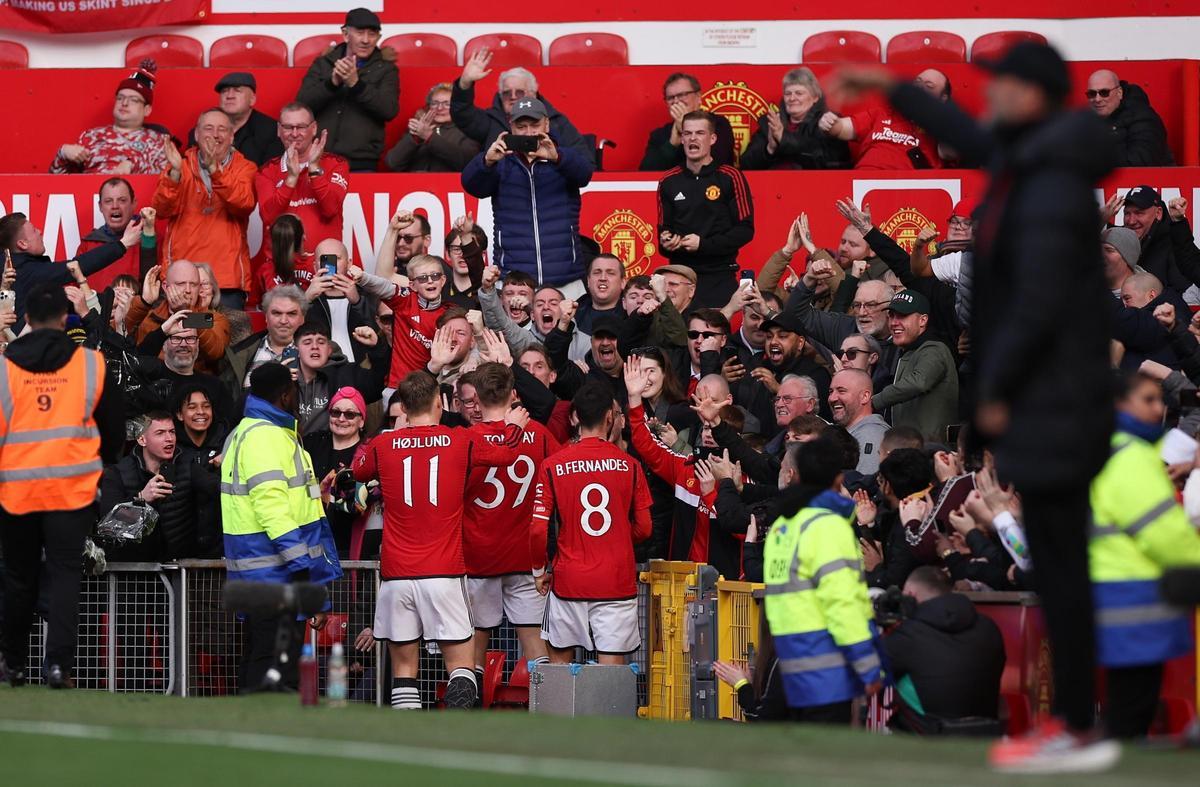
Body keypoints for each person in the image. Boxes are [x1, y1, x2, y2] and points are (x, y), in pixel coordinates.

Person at [836, 40, 1120, 770]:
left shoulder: (1049, 183)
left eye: (1002, 85)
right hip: (1047, 398)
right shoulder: (1024, 160)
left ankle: (1079, 727)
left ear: (1031, 94)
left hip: (1058, 401)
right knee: (1057, 564)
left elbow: (1036, 302)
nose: (987, 96)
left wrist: (994, 390)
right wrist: (889, 85)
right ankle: (1079, 726)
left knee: (1059, 565)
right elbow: (960, 130)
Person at [353, 369, 529, 709]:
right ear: (440, 401)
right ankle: (457, 723)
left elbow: (357, 468)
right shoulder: (461, 439)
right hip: (443, 572)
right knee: (461, 666)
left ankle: (410, 748)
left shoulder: (383, 444)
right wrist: (514, 427)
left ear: (402, 406)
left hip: (397, 576)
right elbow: (506, 455)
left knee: (404, 670)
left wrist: (392, 435)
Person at [0, 284, 123, 689]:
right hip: (72, 489)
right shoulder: (90, 364)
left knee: (19, 579)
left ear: (27, 319)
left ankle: (13, 663)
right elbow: (113, 430)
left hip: (17, 492)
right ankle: (58, 667)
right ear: (65, 319)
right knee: (66, 575)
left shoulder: (4, 368)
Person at [1089, 372, 1200, 739]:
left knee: (1128, 696)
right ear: (1121, 404)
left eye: (1159, 400)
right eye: (1147, 400)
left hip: (1117, 585)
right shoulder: (1130, 456)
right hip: (1135, 587)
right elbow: (1162, 531)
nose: (1158, 408)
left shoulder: (1111, 449)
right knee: (1135, 700)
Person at [221, 362, 343, 691]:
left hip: (263, 569)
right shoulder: (266, 437)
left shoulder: (249, 433)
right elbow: (272, 509)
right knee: (274, 667)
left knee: (262, 660)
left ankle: (251, 733)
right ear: (286, 395)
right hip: (277, 571)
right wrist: (303, 572)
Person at [762, 436, 882, 723]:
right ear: (838, 477)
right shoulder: (829, 526)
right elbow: (842, 600)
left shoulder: (782, 525)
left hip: (785, 660)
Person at [531, 382, 653, 664]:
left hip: (569, 580)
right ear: (610, 417)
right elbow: (645, 528)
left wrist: (539, 570)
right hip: (616, 580)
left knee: (559, 672)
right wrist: (617, 537)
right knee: (610, 677)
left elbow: (538, 528)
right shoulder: (629, 465)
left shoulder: (552, 465)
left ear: (575, 417)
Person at [462, 363, 561, 680]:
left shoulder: (467, 438)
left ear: (475, 398)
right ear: (513, 393)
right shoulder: (539, 435)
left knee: (476, 640)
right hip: (526, 557)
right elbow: (560, 478)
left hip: (479, 555)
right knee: (534, 641)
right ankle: (547, 710)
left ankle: (473, 715)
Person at [462, 97, 594, 294]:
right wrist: (487, 161)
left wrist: (557, 157)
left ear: (547, 124)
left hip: (566, 280)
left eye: (535, 125)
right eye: (521, 126)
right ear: (511, 128)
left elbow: (584, 174)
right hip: (514, 282)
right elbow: (472, 186)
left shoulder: (562, 157)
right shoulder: (500, 162)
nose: (529, 132)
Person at [152, 109, 258, 306]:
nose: (216, 135)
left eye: (222, 129)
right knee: (183, 335)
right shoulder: (179, 166)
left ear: (232, 136)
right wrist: (174, 174)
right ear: (197, 134)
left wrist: (214, 170)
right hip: (182, 278)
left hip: (228, 280)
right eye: (208, 128)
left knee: (224, 335)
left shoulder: (246, 168)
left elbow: (243, 204)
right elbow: (161, 210)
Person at [882, 567, 1006, 733]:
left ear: (910, 596)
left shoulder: (908, 636)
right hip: (986, 735)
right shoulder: (989, 627)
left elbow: (872, 670)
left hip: (927, 739)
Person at [657, 111, 755, 309]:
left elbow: (745, 230)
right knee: (678, 335)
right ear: (682, 138)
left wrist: (703, 244)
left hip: (719, 275)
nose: (692, 138)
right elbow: (663, 231)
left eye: (700, 133)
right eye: (687, 133)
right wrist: (667, 241)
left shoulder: (730, 176)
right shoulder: (668, 181)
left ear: (712, 138)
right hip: (680, 276)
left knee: (717, 334)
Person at [295, 8, 399, 171]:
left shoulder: (386, 69)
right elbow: (302, 106)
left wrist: (356, 85)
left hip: (361, 163)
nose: (366, 40)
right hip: (318, 158)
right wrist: (332, 83)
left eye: (372, 34)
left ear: (378, 38)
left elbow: (389, 110)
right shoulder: (323, 63)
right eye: (360, 32)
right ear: (345, 34)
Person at [0, 210, 141, 326]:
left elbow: (70, 298)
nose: (40, 231)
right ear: (23, 244)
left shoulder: (19, 269)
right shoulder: (24, 272)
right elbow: (77, 265)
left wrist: (110, 298)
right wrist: (123, 243)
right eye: (34, 230)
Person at [452, 50, 591, 162]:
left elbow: (585, 161)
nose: (512, 97)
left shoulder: (556, 121)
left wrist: (557, 158)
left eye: (519, 92)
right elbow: (461, 113)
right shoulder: (491, 121)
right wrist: (465, 84)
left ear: (533, 94)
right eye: (507, 93)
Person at [99, 412, 202, 561]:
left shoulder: (186, 465)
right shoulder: (118, 474)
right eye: (160, 433)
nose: (169, 439)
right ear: (142, 439)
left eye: (172, 432)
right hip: (134, 573)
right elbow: (108, 528)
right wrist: (140, 499)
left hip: (178, 569)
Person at [257, 102, 350, 257]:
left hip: (326, 263)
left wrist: (314, 169)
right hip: (281, 264)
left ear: (313, 128)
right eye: (288, 127)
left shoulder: (337, 164)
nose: (294, 133)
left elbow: (330, 209)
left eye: (301, 127)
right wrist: (291, 179)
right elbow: (269, 218)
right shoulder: (266, 171)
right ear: (279, 130)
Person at [50, 60, 168, 175]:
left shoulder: (159, 141)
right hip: (91, 193)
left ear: (147, 110)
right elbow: (58, 187)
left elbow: (169, 182)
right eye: (120, 98)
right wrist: (63, 154)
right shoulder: (91, 136)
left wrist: (133, 165)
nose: (125, 103)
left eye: (133, 100)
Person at [872, 290, 958, 442]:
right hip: (913, 450)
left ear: (923, 320)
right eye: (891, 315)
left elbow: (918, 382)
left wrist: (875, 401)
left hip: (932, 454)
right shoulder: (910, 351)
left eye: (902, 316)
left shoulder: (934, 349)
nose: (894, 322)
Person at [819, 69, 948, 170]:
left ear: (943, 98)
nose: (919, 88)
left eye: (929, 86)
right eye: (917, 82)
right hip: (863, 184)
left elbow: (952, 151)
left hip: (909, 190)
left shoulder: (943, 126)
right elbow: (842, 128)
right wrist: (830, 122)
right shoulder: (883, 113)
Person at [126, 261, 232, 375]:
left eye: (194, 284)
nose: (188, 290)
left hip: (194, 386)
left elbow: (215, 352)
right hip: (152, 385)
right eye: (181, 284)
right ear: (166, 287)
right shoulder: (149, 316)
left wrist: (188, 314)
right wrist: (144, 302)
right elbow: (119, 338)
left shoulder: (212, 318)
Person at [741, 68, 850, 170]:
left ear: (815, 98)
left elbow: (831, 161)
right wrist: (769, 149)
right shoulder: (771, 124)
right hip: (771, 187)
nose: (792, 98)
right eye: (788, 93)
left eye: (799, 93)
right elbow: (745, 165)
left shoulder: (829, 122)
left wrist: (783, 138)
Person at [640, 72, 735, 171]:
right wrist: (671, 145)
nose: (676, 101)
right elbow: (646, 172)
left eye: (682, 95)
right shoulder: (659, 135)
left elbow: (719, 160)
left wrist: (685, 130)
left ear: (698, 97)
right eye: (670, 98)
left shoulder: (719, 124)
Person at [77, 178, 158, 292]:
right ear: (100, 206)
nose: (115, 206)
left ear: (134, 203)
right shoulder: (88, 244)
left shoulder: (148, 241)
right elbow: (73, 287)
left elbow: (155, 288)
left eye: (122, 200)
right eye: (108, 201)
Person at [223, 284, 308, 393]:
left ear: (303, 319)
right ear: (266, 317)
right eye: (277, 313)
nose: (283, 320)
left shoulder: (320, 352)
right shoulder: (239, 353)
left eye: (291, 314)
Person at [187, 72, 285, 167]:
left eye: (237, 91)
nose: (229, 96)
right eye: (224, 91)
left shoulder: (272, 131)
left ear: (252, 99)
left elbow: (271, 175)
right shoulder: (202, 130)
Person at [386, 82, 481, 173]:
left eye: (447, 104)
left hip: (450, 187)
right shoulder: (418, 128)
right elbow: (392, 163)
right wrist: (415, 138)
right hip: (415, 186)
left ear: (457, 106)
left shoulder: (467, 130)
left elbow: (468, 163)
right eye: (435, 103)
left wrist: (430, 137)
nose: (439, 108)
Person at [1085, 69, 1173, 167]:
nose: (1097, 99)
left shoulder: (1144, 118)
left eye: (1104, 92)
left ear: (1119, 93)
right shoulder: (1087, 123)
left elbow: (1141, 161)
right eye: (1092, 94)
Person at [828, 369, 889, 474]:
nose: (832, 398)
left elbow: (864, 486)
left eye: (841, 391)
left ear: (864, 397)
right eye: (830, 392)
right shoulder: (845, 433)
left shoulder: (870, 435)